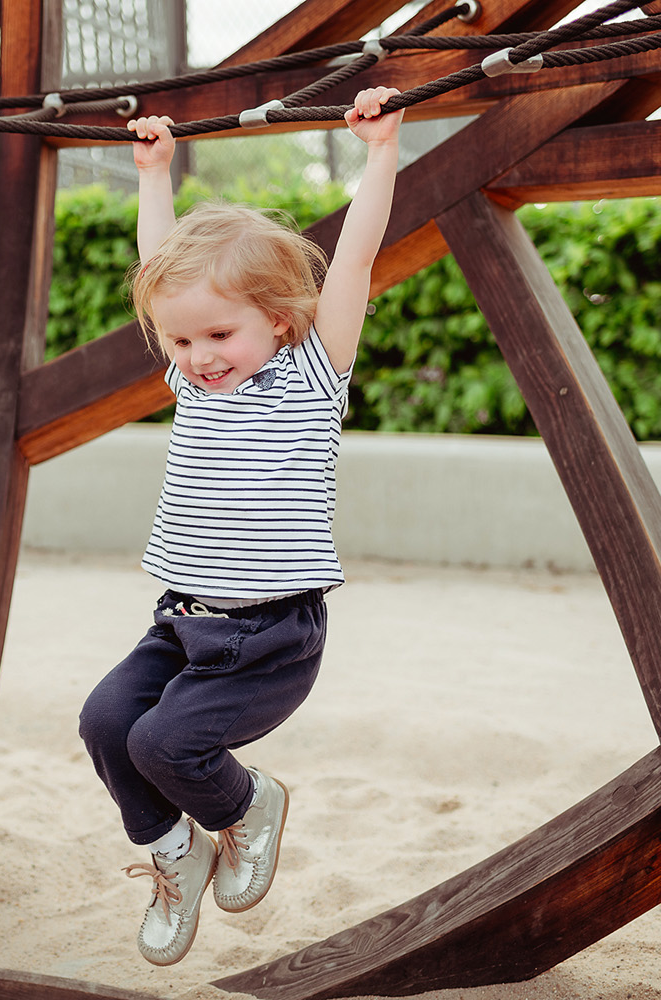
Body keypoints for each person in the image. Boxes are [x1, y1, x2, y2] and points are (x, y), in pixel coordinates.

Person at [78, 86, 404, 967]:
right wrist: (155, 176)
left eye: (219, 335)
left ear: (282, 321)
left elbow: (356, 266)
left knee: (163, 741)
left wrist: (381, 155)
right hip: (184, 620)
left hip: (269, 634)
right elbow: (165, 275)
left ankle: (245, 806)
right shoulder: (194, 382)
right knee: (107, 721)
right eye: (182, 343)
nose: (198, 357)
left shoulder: (311, 378)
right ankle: (172, 853)